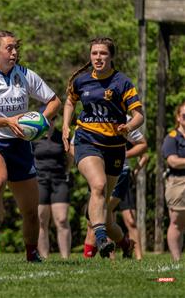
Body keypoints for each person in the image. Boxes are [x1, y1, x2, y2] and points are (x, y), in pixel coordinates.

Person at [0, 30, 62, 263]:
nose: (14, 52)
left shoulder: (25, 75)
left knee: (31, 211)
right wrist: (7, 121)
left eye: (15, 48)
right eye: (9, 48)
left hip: (20, 145)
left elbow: (54, 101)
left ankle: (32, 254)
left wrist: (40, 121)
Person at [62, 37, 144, 258]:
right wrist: (65, 126)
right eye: (94, 53)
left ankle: (126, 244)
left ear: (111, 56)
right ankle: (99, 238)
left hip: (115, 147)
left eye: (103, 53)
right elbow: (70, 100)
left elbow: (139, 116)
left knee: (105, 209)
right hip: (86, 141)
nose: (98, 57)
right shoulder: (82, 80)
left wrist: (128, 126)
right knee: (97, 186)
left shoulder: (122, 82)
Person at [82, 118, 148, 260]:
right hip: (97, 174)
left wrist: (120, 154)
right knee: (105, 220)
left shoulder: (125, 118)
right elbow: (74, 144)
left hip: (120, 173)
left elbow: (143, 147)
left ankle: (89, 257)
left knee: (96, 215)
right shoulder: (88, 117)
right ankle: (125, 245)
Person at [33, 110, 72, 259]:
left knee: (61, 219)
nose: (50, 121)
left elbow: (70, 157)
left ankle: (65, 257)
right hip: (39, 180)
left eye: (53, 118)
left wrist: (66, 172)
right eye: (47, 118)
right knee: (42, 221)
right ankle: (44, 257)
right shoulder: (34, 137)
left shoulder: (61, 137)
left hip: (59, 180)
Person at [162, 101, 185, 261]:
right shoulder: (172, 137)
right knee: (177, 221)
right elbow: (173, 161)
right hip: (178, 182)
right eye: (184, 115)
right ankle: (176, 260)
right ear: (178, 117)